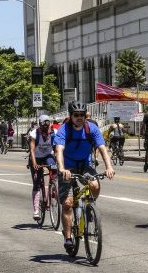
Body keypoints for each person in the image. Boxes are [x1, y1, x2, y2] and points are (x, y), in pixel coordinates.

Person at [54, 101, 115, 253]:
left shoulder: (91, 128)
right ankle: (68, 237)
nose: (80, 118)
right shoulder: (64, 130)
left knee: (94, 185)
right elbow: (59, 150)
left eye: (82, 115)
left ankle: (89, 207)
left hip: (85, 165)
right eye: (76, 115)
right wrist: (61, 168)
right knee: (68, 203)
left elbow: (102, 148)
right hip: (67, 167)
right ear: (71, 116)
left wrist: (109, 167)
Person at [29, 115, 56, 220]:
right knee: (37, 182)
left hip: (48, 156)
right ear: (40, 125)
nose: (46, 127)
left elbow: (57, 148)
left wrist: (59, 162)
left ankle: (53, 188)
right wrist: (35, 163)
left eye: (48, 124)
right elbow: (32, 150)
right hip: (36, 157)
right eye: (44, 124)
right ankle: (36, 210)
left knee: (54, 168)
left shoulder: (54, 133)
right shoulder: (34, 133)